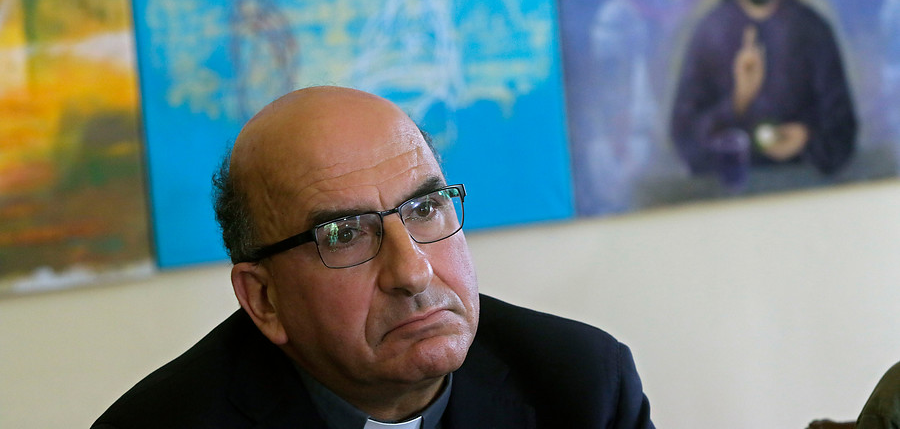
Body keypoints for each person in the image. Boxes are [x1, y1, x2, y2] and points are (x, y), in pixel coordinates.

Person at [92, 86, 655, 428]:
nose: (413, 272)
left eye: (425, 208)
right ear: (264, 300)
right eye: (343, 235)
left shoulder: (582, 385)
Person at [670, 0, 857, 177]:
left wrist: (806, 138)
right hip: (731, 190)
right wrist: (738, 100)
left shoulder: (812, 29)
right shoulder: (710, 33)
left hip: (806, 186)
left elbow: (843, 128)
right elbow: (685, 139)